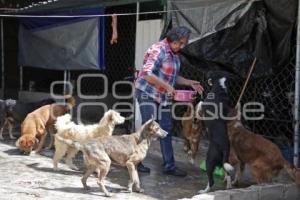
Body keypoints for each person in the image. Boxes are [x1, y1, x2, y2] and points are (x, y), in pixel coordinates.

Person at [135, 26, 204, 176]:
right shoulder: (158, 49)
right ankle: (136, 161)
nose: (181, 46)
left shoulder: (174, 54)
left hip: (163, 96)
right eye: (180, 43)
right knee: (149, 128)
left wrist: (189, 82)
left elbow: (172, 77)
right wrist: (167, 87)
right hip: (148, 93)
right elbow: (146, 74)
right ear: (172, 39)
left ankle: (169, 166)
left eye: (183, 43)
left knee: (165, 128)